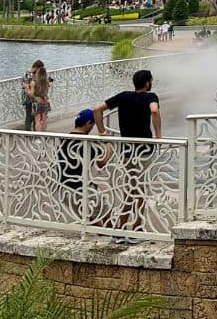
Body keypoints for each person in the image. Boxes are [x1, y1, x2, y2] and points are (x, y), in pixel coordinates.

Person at [90, 70, 161, 244]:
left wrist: (102, 132)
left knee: (131, 189)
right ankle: (134, 229)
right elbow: (154, 111)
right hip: (144, 150)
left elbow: (97, 109)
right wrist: (159, 135)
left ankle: (122, 230)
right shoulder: (150, 96)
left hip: (127, 151)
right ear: (147, 83)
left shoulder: (123, 96)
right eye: (150, 81)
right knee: (138, 190)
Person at [57, 109, 110, 226]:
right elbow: (103, 162)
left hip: (64, 191)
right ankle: (114, 236)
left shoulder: (64, 140)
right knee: (106, 214)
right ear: (88, 123)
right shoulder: (88, 143)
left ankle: (98, 234)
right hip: (82, 190)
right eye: (93, 125)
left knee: (91, 222)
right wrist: (107, 141)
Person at [26, 64, 52, 132]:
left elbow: (31, 94)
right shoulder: (46, 81)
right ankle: (44, 134)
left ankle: (38, 137)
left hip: (37, 102)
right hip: (45, 100)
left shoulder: (34, 82)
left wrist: (27, 87)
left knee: (37, 120)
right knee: (44, 119)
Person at [21, 60, 45, 131]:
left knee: (35, 117)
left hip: (35, 97)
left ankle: (33, 132)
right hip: (30, 98)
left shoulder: (32, 73)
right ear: (36, 67)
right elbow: (26, 86)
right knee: (30, 116)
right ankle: (28, 133)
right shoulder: (28, 74)